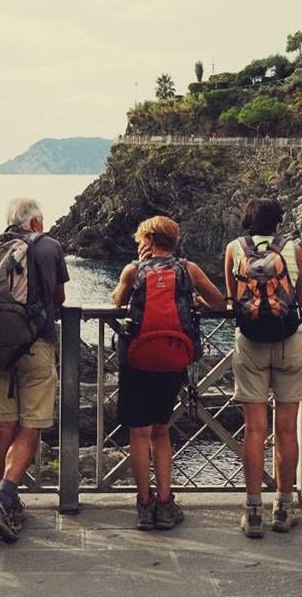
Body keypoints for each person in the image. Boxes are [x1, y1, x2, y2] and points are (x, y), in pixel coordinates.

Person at [112, 216, 226, 531]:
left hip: (137, 359)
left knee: (139, 434)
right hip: (173, 358)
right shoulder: (189, 270)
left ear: (148, 241)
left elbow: (117, 301)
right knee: (161, 432)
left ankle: (144, 506)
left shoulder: (133, 271)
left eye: (139, 240)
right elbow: (218, 302)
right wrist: (196, 301)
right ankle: (165, 503)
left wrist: (137, 268)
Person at [0, 198, 69, 542]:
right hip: (36, 345)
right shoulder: (50, 247)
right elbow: (58, 298)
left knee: (4, 426)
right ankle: (5, 498)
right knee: (31, 426)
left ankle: (7, 501)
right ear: (35, 223)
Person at [224, 198, 302, 538]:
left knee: (254, 429)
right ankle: (284, 507)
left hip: (250, 343)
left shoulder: (234, 248)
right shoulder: (293, 249)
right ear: (278, 225)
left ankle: (253, 509)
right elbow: (299, 299)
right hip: (290, 341)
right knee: (286, 429)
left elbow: (232, 299)